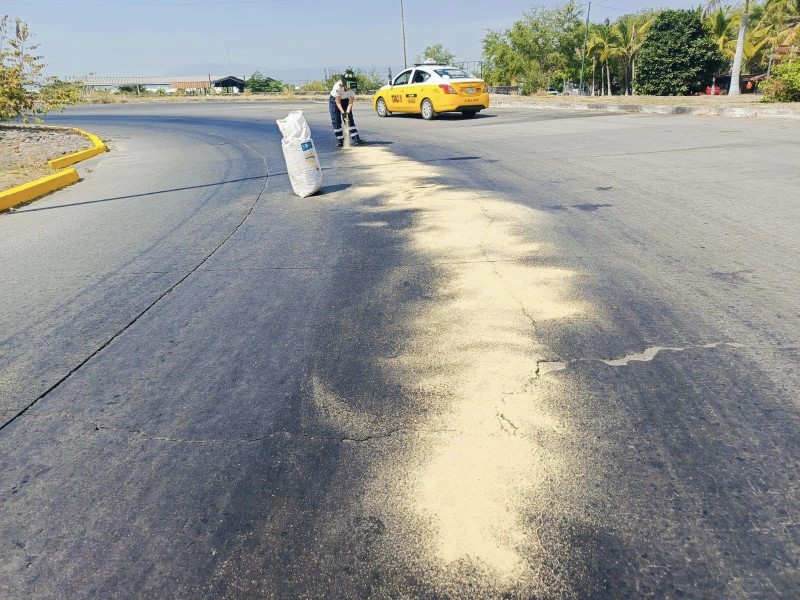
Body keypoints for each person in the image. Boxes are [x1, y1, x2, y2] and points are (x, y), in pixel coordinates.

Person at [329, 72, 363, 147]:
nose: (349, 89)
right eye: (348, 87)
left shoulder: (353, 88)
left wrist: (347, 113)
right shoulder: (337, 87)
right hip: (334, 102)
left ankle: (356, 139)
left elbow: (350, 103)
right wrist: (343, 113)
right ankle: (340, 140)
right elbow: (338, 103)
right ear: (344, 83)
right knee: (336, 120)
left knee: (349, 119)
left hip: (346, 101)